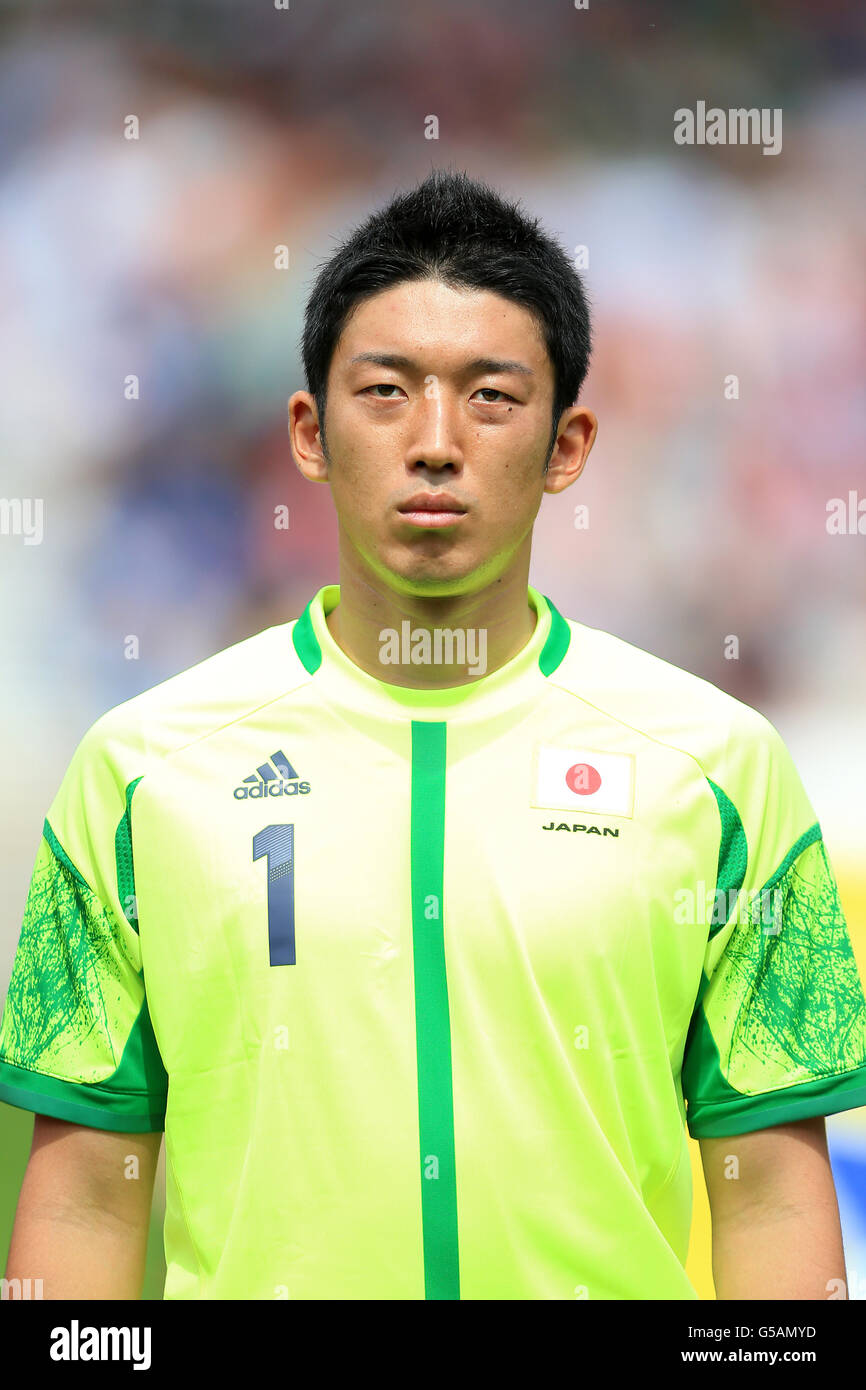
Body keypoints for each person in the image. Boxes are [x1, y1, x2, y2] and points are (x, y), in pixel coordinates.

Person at [2, 168, 865, 1300]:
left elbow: (766, 1190)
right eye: (385, 392)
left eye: (492, 397)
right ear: (309, 432)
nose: (435, 443)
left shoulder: (718, 768)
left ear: (567, 445)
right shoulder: (136, 771)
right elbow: (82, 1195)